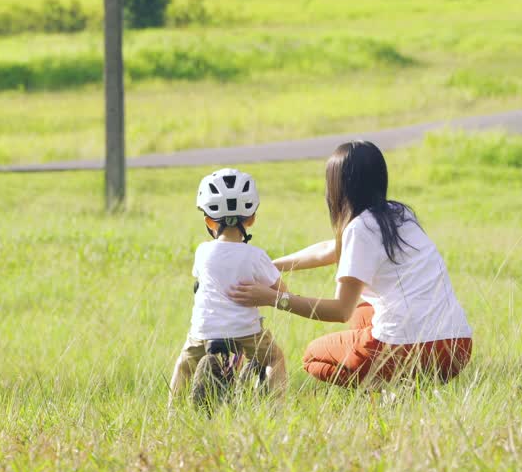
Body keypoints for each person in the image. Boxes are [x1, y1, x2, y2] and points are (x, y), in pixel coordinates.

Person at [229, 141, 472, 387]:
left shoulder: (360, 229)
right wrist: (270, 266)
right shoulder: (399, 215)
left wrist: (273, 298)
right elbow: (329, 249)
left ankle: (392, 389)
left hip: (407, 349)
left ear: (338, 187)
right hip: (457, 348)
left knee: (312, 356)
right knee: (362, 314)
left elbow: (340, 310)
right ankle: (403, 381)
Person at [169, 168, 288, 407]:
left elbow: (199, 281)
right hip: (246, 332)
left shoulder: (202, 252)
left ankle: (172, 413)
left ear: (208, 221)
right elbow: (281, 291)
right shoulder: (256, 256)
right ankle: (276, 410)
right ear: (251, 218)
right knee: (276, 358)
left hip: (204, 331)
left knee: (183, 366)